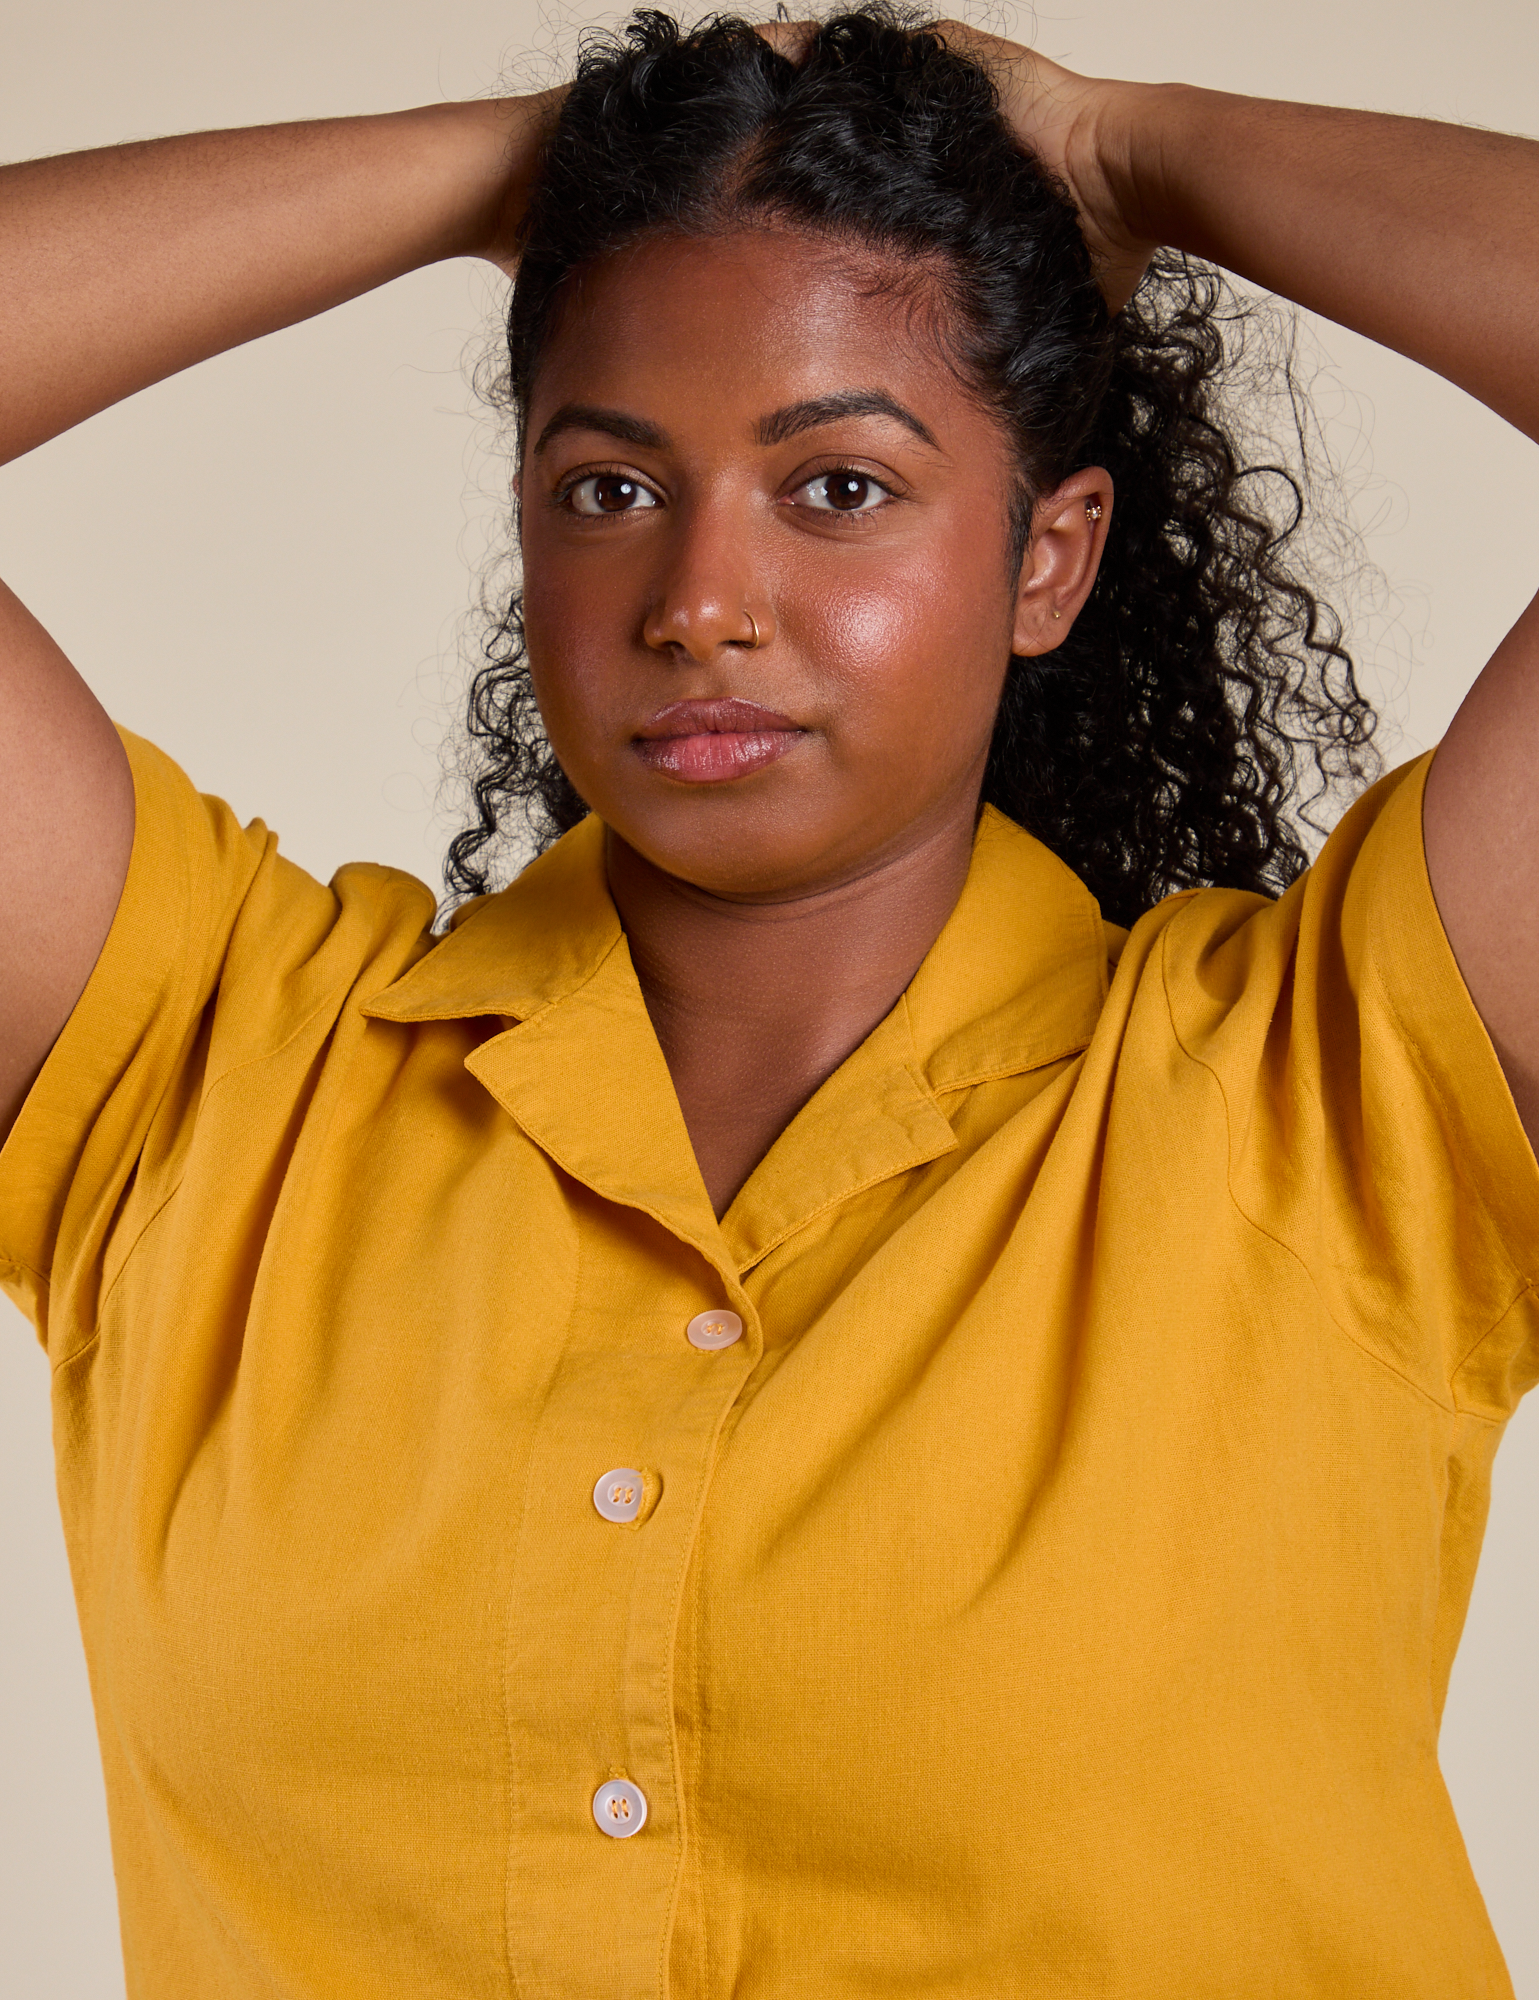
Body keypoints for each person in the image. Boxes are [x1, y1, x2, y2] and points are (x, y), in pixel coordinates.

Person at [1, 5, 1535, 1993]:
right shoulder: (210, 1077)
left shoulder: (1334, 1101)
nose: (700, 597)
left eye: (836, 488)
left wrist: (1129, 150)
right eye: (610, 488)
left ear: (1047, 557)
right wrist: (511, 169)